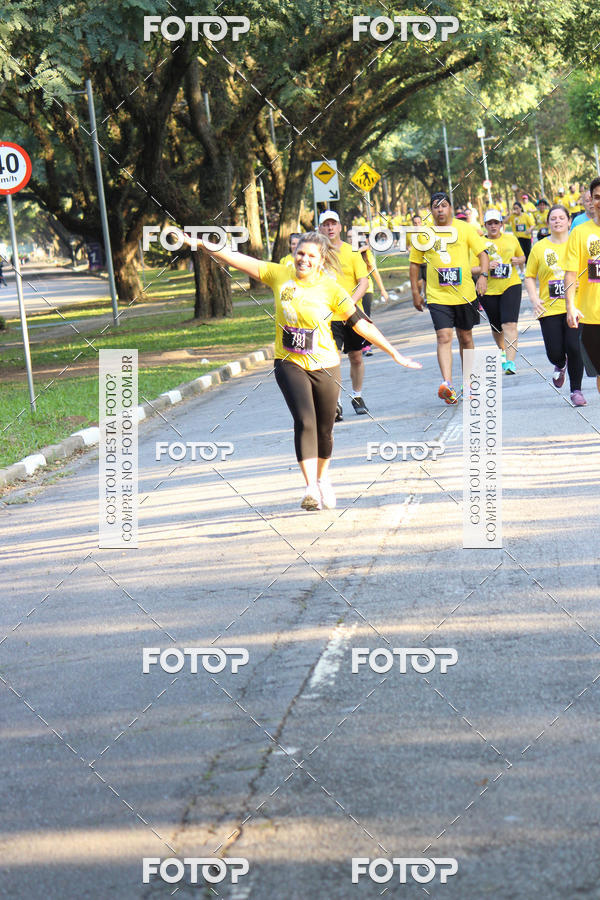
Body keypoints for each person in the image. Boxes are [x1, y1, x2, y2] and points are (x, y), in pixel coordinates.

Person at [182, 229, 421, 509]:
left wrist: (394, 353)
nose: (303, 259)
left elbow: (361, 323)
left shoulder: (331, 289)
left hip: (326, 364)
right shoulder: (279, 275)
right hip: (289, 362)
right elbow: (235, 258)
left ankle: (322, 480)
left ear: (320, 260)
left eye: (310, 255)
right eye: (299, 254)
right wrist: (201, 244)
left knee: (325, 429)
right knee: (304, 421)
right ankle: (309, 487)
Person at [409, 191, 489, 404]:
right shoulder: (424, 234)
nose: (440, 209)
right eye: (436, 206)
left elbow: (483, 253)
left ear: (451, 208)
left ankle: (469, 383)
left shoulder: (465, 229)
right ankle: (448, 384)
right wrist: (416, 293)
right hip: (438, 295)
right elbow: (415, 264)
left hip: (464, 294)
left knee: (466, 338)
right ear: (431, 211)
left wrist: (483, 275)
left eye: (444, 205)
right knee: (444, 337)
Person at [525, 205, 586, 406]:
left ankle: (576, 391)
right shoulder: (539, 248)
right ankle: (560, 365)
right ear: (548, 223)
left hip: (575, 306)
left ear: (569, 221)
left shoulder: (577, 244)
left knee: (574, 347)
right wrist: (534, 298)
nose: (557, 221)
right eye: (553, 218)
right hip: (549, 308)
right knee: (555, 352)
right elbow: (529, 276)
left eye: (561, 218)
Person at [318, 210, 370, 417]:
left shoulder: (352, 252)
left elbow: (363, 282)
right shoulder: (318, 254)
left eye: (333, 224)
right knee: (333, 358)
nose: (330, 228)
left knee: (356, 357)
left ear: (340, 227)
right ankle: (336, 402)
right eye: (326, 225)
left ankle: (357, 395)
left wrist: (350, 302)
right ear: (320, 228)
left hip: (352, 313)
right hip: (329, 316)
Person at [474, 209, 525, 374]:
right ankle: (502, 351)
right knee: (497, 326)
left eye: (496, 223)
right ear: (485, 225)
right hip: (487, 289)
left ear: (501, 224)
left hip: (511, 284)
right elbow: (470, 268)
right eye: (490, 223)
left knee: (509, 323)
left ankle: (510, 362)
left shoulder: (511, 239)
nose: (493, 226)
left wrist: (519, 260)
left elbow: (522, 257)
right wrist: (485, 267)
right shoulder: (478, 242)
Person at [565, 176, 600, 398]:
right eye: (597, 197)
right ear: (591, 200)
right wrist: (570, 306)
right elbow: (570, 272)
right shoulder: (579, 232)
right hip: (590, 316)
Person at [347, 227, 390, 356]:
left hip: (366, 289)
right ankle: (358, 344)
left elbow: (374, 271)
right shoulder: (345, 253)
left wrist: (382, 289)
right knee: (354, 319)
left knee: (365, 316)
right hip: (350, 291)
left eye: (353, 237)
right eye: (349, 237)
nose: (351, 239)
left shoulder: (366, 254)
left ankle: (366, 345)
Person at [508, 201, 535, 269]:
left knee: (527, 253)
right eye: (514, 208)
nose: (515, 210)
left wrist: (529, 230)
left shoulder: (526, 216)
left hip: (526, 237)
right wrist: (510, 214)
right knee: (520, 254)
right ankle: (522, 271)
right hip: (517, 238)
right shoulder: (512, 216)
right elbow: (504, 221)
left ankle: (528, 268)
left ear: (520, 208)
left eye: (517, 208)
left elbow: (533, 225)